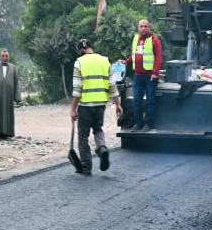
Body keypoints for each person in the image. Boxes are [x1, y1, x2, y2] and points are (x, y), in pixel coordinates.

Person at [70, 39, 123, 175]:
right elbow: (112, 85)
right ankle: (101, 148)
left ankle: (86, 166)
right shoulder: (105, 61)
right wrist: (118, 104)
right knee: (98, 129)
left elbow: (77, 89)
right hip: (101, 104)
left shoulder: (79, 62)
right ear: (90, 47)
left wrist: (73, 109)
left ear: (82, 50)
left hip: (85, 105)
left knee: (83, 135)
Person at [121, 19, 163, 132]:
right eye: (141, 26)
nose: (143, 28)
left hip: (150, 77)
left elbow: (158, 57)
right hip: (138, 75)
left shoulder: (154, 40)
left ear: (149, 27)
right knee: (136, 101)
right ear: (138, 28)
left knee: (150, 101)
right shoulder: (136, 39)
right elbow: (135, 55)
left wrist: (155, 73)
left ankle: (148, 124)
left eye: (145, 26)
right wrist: (127, 62)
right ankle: (138, 124)